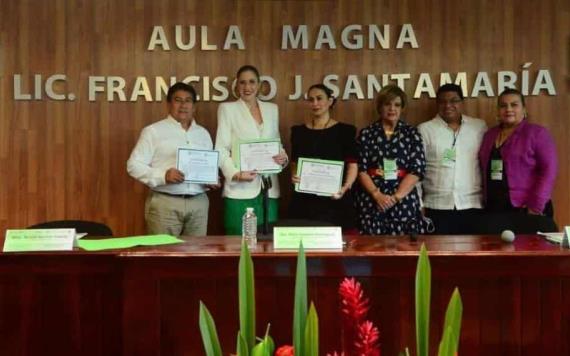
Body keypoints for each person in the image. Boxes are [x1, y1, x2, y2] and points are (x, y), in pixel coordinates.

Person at [127, 82, 218, 236]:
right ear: (169, 104)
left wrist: (212, 179)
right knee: (162, 257)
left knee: (196, 258)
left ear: (194, 106)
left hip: (199, 203)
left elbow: (208, 166)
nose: (183, 105)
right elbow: (133, 165)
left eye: (188, 100)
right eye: (178, 100)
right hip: (165, 202)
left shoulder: (203, 134)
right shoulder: (153, 131)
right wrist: (163, 175)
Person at [215, 65, 288, 235]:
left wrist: (282, 158)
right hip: (239, 189)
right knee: (238, 245)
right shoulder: (227, 109)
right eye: (242, 83)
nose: (247, 87)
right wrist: (235, 173)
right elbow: (220, 148)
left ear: (259, 84)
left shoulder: (272, 109)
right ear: (236, 86)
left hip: (268, 189)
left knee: (267, 245)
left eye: (251, 82)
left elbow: (276, 144)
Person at [356, 85, 427, 235]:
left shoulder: (411, 133)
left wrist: (395, 198)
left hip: (403, 199)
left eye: (397, 105)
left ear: (402, 108)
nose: (392, 108)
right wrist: (377, 195)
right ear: (380, 107)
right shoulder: (367, 133)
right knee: (372, 250)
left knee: (405, 251)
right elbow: (361, 170)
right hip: (373, 200)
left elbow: (417, 170)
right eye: (387, 104)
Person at [417, 84, 487, 234]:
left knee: (470, 256)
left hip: (472, 205)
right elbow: (417, 170)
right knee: (438, 256)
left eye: (454, 100)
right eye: (442, 101)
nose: (448, 105)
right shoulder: (425, 129)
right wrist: (419, 204)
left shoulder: (479, 127)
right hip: (436, 206)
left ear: (462, 102)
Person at [288, 84, 358, 231]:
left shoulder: (345, 131)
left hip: (335, 200)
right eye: (311, 100)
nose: (315, 103)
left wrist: (345, 188)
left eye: (319, 98)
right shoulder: (298, 132)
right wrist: (294, 175)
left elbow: (353, 164)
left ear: (330, 101)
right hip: (305, 202)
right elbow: (294, 163)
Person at [478, 88, 557, 217]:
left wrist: (535, 206)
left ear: (524, 109)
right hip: (494, 209)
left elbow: (549, 171)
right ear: (498, 110)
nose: (508, 109)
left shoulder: (537, 133)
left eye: (514, 105)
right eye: (503, 106)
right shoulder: (489, 135)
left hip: (528, 209)